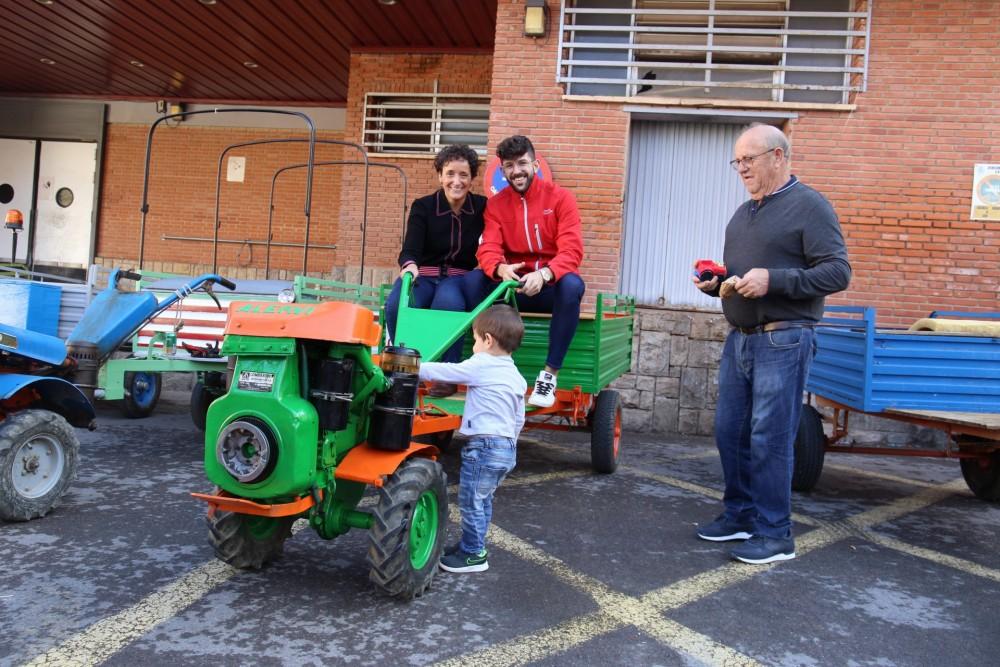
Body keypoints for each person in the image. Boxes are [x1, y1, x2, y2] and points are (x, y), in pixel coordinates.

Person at [693, 123, 851, 565]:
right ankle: (740, 515)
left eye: (749, 159)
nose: (741, 167)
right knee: (730, 433)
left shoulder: (810, 206)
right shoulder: (744, 214)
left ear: (778, 157)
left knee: (770, 438)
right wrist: (719, 283)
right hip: (740, 340)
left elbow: (838, 272)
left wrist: (773, 281)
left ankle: (776, 533)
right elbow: (745, 278)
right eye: (737, 160)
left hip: (784, 339)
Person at [464, 135, 585, 408]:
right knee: (472, 280)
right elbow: (488, 248)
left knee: (573, 285)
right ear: (503, 170)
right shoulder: (495, 205)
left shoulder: (562, 198)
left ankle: (549, 375)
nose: (516, 171)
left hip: (549, 286)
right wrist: (500, 268)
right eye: (509, 165)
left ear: (535, 165)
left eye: (522, 163)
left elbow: (572, 251)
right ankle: (487, 360)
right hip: (512, 287)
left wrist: (544, 275)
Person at [417, 304, 527, 573]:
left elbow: (446, 372)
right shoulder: (516, 375)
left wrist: (412, 366)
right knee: (483, 499)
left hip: (485, 446)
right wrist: (509, 441)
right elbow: (518, 418)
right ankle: (471, 544)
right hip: (506, 447)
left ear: (488, 340)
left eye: (475, 339)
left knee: (471, 501)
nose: (474, 346)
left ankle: (474, 554)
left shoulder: (482, 364)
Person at [384, 144, 486, 398]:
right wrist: (409, 267)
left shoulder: (483, 207)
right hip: (424, 276)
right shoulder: (424, 207)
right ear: (440, 175)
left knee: (449, 305)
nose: (456, 181)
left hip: (458, 279)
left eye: (463, 175)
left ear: (472, 178)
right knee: (397, 303)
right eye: (450, 173)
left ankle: (447, 374)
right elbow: (409, 250)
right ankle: (406, 366)